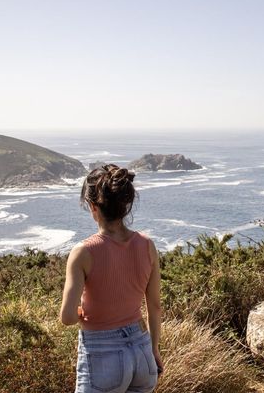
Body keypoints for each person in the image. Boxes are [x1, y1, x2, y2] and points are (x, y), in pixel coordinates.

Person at [59, 164, 163, 393]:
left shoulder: (83, 253)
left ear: (93, 206)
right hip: (142, 352)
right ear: (126, 205)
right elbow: (155, 306)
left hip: (102, 355)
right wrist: (154, 350)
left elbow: (67, 317)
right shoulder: (148, 246)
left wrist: (80, 313)